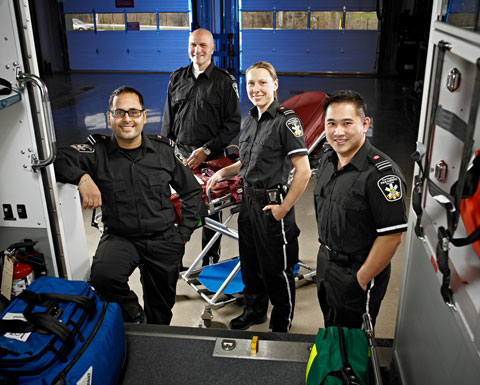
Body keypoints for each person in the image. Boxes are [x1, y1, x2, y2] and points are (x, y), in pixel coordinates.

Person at [54, 86, 203, 325]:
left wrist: (183, 233)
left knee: (161, 306)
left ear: (143, 116)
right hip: (120, 237)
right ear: (109, 117)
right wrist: (82, 178)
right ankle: (135, 318)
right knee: (103, 278)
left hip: (163, 238)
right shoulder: (96, 151)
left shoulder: (165, 151)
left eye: (133, 112)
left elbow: (193, 192)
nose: (127, 119)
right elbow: (57, 158)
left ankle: (155, 335)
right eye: (119, 112)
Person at [206, 61, 311, 333]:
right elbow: (245, 161)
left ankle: (281, 324)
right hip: (248, 202)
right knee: (251, 263)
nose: (256, 88)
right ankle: (254, 311)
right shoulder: (251, 119)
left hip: (272, 204)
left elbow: (304, 171)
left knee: (278, 269)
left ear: (275, 85)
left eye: (262, 82)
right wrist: (222, 173)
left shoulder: (287, 121)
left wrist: (284, 208)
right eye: (251, 83)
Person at [314, 90, 408, 329]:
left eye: (347, 123)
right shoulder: (327, 158)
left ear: (365, 124)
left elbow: (391, 236)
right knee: (332, 328)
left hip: (357, 272)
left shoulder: (381, 176)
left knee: (354, 342)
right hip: (326, 263)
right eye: (331, 124)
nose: (338, 132)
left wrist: (362, 278)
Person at [161, 28, 241, 266]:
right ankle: (174, 261)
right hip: (180, 157)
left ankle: (210, 261)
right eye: (193, 45)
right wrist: (166, 152)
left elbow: (232, 124)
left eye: (203, 45)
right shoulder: (176, 78)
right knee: (174, 210)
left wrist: (206, 150)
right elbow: (168, 120)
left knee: (210, 211)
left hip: (211, 159)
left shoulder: (225, 82)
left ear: (212, 49)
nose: (198, 50)